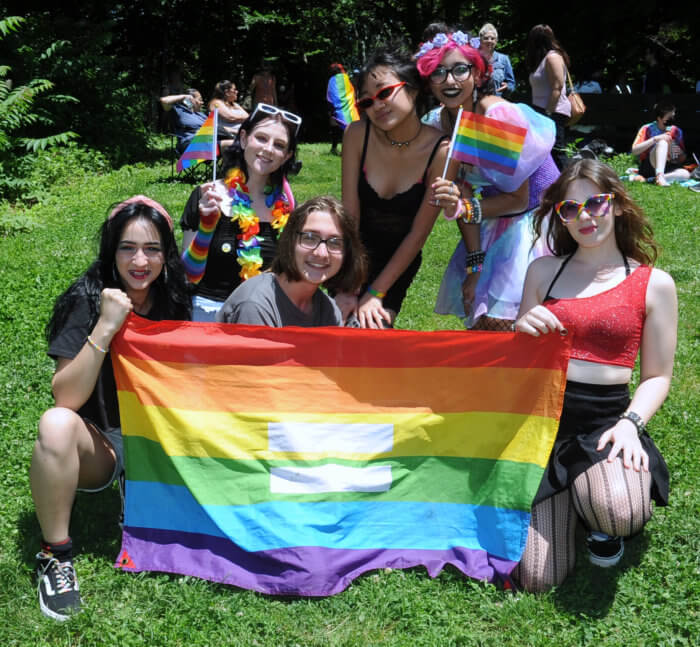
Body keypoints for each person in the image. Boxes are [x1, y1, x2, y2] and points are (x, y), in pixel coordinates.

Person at [513, 159, 676, 591]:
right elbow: (520, 362)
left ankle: (598, 508)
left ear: (618, 205)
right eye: (570, 208)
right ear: (560, 217)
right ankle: (571, 494)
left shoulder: (653, 283)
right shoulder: (543, 272)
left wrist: (630, 426)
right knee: (535, 578)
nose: (584, 216)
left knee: (618, 511)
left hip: (605, 426)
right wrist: (520, 329)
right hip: (543, 425)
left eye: (596, 203)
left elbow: (657, 376)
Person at [31, 196, 192, 620]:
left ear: (166, 254)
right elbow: (65, 397)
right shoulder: (87, 299)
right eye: (128, 247)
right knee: (55, 424)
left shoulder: (176, 300)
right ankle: (55, 556)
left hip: (159, 442)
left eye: (152, 249)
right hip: (101, 443)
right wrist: (105, 325)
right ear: (111, 250)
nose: (140, 260)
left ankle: (144, 499)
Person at [418, 27, 559, 330]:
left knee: (507, 322)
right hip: (494, 217)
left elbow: (518, 199)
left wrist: (465, 208)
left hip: (537, 218)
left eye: (460, 69)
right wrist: (475, 265)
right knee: (480, 317)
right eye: (438, 73)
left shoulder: (494, 116)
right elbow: (460, 193)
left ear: (478, 74)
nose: (450, 80)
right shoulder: (438, 124)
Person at [338, 45, 460, 328]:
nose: (377, 105)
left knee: (370, 332)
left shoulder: (443, 151)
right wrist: (347, 286)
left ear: (414, 90)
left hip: (397, 262)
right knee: (331, 328)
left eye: (384, 92)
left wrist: (375, 293)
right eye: (366, 102)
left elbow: (418, 235)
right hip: (348, 254)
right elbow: (350, 215)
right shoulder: (357, 134)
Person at [180, 103, 301, 321]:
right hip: (208, 316)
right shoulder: (207, 195)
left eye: (279, 145)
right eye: (261, 138)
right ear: (244, 139)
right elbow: (188, 276)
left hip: (262, 316)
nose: (268, 148)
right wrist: (207, 227)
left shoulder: (287, 208)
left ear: (286, 155)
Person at [218, 196, 367, 326]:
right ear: (290, 241)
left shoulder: (329, 310)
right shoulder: (255, 305)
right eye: (309, 238)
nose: (321, 253)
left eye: (334, 242)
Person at [526, 24, 572, 170]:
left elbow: (557, 87)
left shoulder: (553, 57)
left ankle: (569, 182)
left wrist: (548, 113)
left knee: (557, 151)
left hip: (553, 112)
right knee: (545, 153)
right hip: (541, 111)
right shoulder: (543, 59)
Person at [631, 101, 689, 186]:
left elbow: (680, 159)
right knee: (662, 143)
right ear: (659, 118)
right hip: (650, 165)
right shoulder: (646, 128)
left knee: (685, 174)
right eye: (669, 117)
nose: (672, 119)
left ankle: (653, 179)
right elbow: (634, 151)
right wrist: (655, 139)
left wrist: (672, 145)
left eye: (673, 116)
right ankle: (659, 175)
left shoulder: (676, 131)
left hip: (668, 165)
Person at [326, 63, 360, 155]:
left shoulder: (332, 80)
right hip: (348, 109)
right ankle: (344, 150)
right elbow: (350, 93)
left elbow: (331, 95)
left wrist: (332, 109)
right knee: (346, 129)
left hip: (337, 109)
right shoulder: (346, 79)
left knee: (337, 128)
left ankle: (337, 149)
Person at [159, 88, 207, 153]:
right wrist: (184, 96)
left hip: (207, 140)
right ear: (191, 100)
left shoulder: (201, 115)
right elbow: (163, 100)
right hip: (189, 143)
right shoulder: (179, 110)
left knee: (225, 144)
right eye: (200, 100)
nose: (202, 102)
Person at [477, 23, 515, 96]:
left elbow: (511, 84)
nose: (489, 41)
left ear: (496, 41)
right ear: (480, 40)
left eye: (492, 38)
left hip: (496, 103)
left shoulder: (504, 59)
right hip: (476, 103)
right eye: (486, 38)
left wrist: (508, 87)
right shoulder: (474, 58)